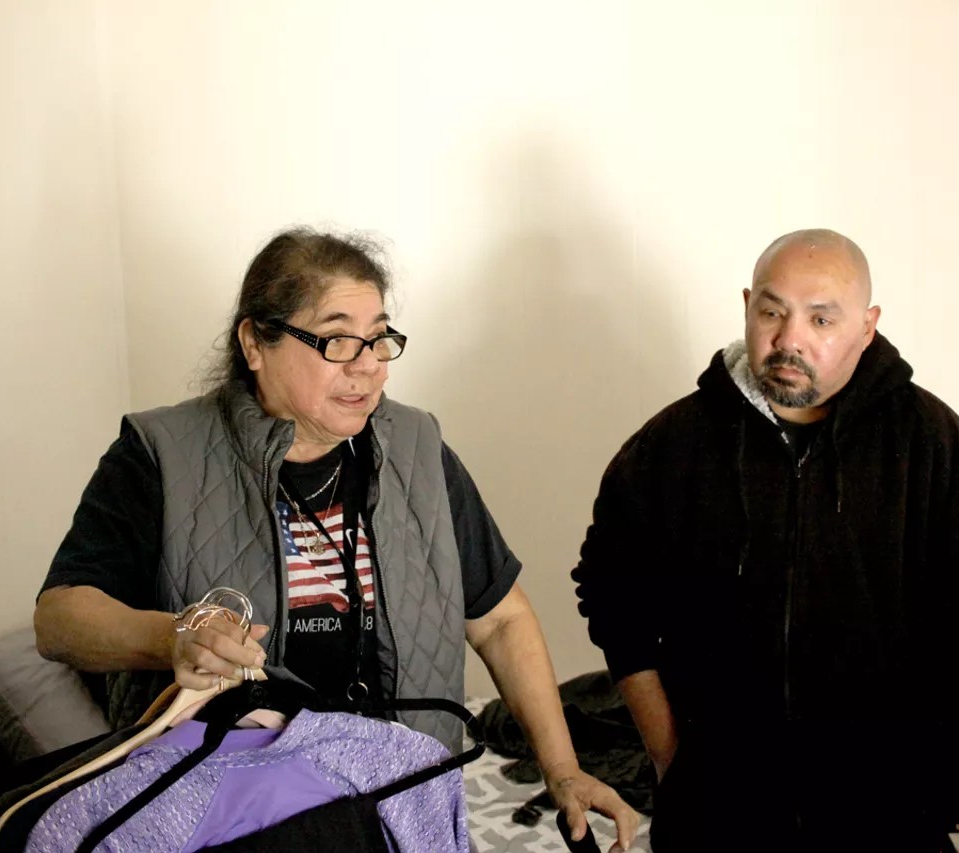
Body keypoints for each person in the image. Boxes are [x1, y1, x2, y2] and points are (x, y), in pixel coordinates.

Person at [35, 227, 638, 850]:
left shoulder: (417, 449)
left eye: (379, 337)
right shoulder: (163, 454)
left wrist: (563, 770)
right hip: (239, 824)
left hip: (401, 806)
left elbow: (501, 620)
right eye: (338, 339)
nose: (369, 365)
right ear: (255, 343)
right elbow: (58, 620)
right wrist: (173, 636)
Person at [571, 229, 959, 850]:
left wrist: (931, 799)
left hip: (887, 831)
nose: (789, 339)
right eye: (773, 312)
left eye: (821, 319)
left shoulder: (933, 447)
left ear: (867, 327)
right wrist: (671, 759)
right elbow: (613, 598)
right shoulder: (671, 446)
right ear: (747, 306)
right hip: (713, 825)